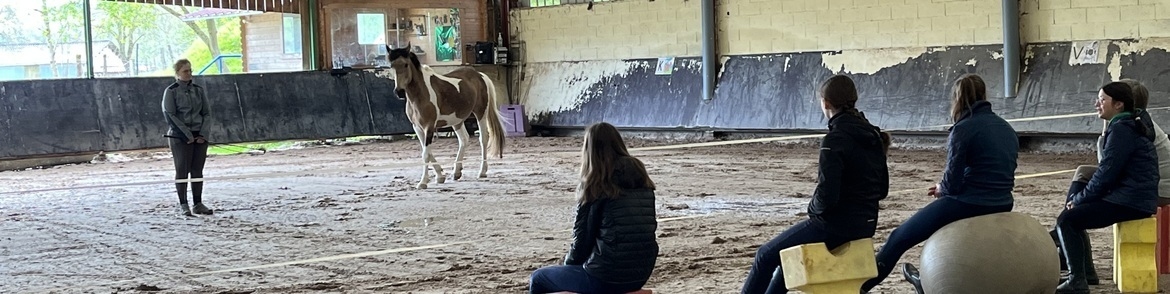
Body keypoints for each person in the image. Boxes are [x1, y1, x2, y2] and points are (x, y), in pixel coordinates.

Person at [860, 74, 1019, 293]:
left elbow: (952, 184)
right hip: (1003, 201)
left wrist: (941, 188)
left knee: (899, 237)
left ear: (957, 99)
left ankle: (861, 287)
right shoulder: (1006, 128)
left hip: (970, 202)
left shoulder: (962, 129)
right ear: (984, 95)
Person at [740, 74, 892, 294]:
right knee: (786, 264)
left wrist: (811, 209)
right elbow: (883, 189)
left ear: (826, 103)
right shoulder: (874, 136)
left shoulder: (834, 140)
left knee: (764, 256)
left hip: (835, 225)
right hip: (866, 224)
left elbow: (827, 196)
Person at [1050, 79, 1170, 284]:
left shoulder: (1122, 130)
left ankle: (1076, 275)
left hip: (1138, 195)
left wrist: (1079, 200)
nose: (1097, 104)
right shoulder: (1136, 122)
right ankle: (1080, 265)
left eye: (1102, 99)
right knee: (1078, 193)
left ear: (1119, 103)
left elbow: (1106, 173)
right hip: (1138, 190)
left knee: (1068, 220)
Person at [528, 122, 658, 294]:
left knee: (538, 278)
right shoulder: (641, 177)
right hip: (641, 272)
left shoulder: (596, 183)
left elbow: (582, 241)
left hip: (605, 276)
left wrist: (569, 266)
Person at [162, 59, 213, 217]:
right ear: (177, 73)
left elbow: (207, 113)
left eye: (190, 70)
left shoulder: (198, 90)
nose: (189, 74)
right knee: (182, 170)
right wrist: (187, 135)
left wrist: (202, 134)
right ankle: (183, 204)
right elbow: (169, 115)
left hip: (199, 136)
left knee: (197, 170)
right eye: (186, 71)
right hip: (180, 137)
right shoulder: (171, 91)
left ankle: (198, 203)